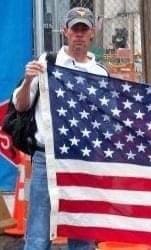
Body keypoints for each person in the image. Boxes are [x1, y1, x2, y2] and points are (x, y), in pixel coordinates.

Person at [13, 7, 108, 250]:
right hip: (47, 157)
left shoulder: (100, 74)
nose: (78, 34)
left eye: (83, 29)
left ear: (92, 33)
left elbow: (104, 122)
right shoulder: (46, 63)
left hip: (83, 160)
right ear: (65, 31)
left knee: (82, 233)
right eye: (74, 28)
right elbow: (21, 106)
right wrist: (27, 81)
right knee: (37, 233)